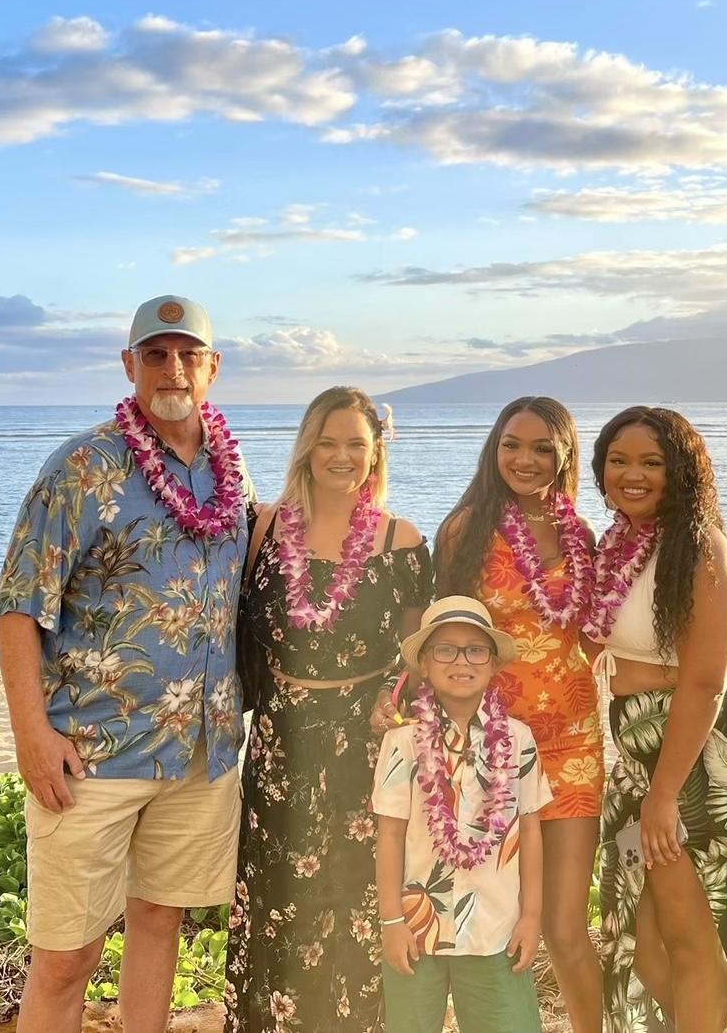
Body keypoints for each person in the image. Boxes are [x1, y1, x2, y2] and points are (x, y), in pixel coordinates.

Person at [0, 294, 254, 1033]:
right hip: (91, 754)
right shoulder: (81, 467)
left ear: (213, 368)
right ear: (129, 363)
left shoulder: (234, 477)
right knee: (67, 957)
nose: (173, 368)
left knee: (160, 920)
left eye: (188, 355)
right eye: (156, 354)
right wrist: (31, 736)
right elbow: (18, 607)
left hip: (197, 751)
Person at [378, 396, 604, 1032]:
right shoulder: (467, 528)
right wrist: (406, 692)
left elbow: (593, 631)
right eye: (511, 444)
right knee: (478, 903)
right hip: (488, 744)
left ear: (564, 455)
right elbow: (443, 629)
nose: (524, 459)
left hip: (572, 740)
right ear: (493, 449)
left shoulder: (579, 535)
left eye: (541, 448)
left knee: (563, 926)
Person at [223, 386, 433, 1033]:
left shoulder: (402, 541)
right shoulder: (263, 527)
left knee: (353, 911)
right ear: (307, 447)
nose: (342, 456)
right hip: (279, 749)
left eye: (357, 446)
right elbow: (225, 628)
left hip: (362, 755)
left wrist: (390, 701)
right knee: (278, 904)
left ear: (375, 455)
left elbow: (420, 655)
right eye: (329, 442)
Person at [590, 407, 727, 1033]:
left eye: (652, 462)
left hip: (702, 762)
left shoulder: (702, 550)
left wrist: (664, 795)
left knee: (694, 941)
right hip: (638, 760)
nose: (633, 475)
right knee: (644, 947)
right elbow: (597, 656)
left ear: (683, 471)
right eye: (619, 460)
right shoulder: (616, 545)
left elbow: (704, 682)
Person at [373, 595, 552, 1033]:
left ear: (492, 663)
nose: (461, 661)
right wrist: (391, 920)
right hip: (417, 929)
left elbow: (529, 831)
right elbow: (390, 836)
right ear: (426, 665)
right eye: (445, 650)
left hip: (496, 928)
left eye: (475, 650)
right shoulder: (403, 743)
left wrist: (530, 917)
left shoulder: (518, 739)